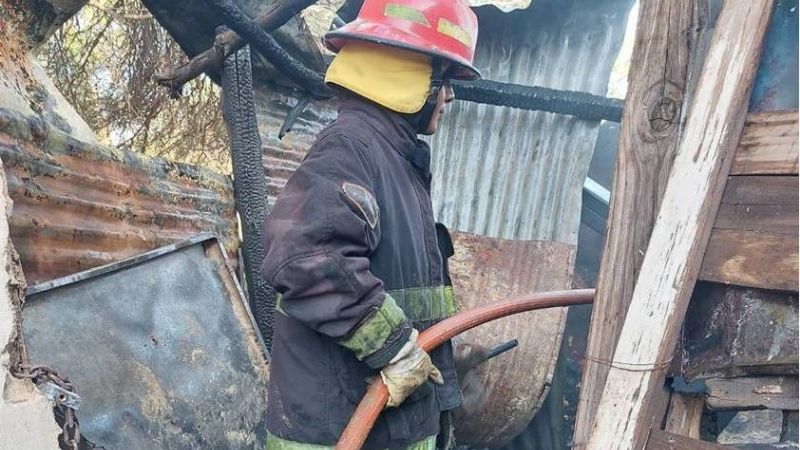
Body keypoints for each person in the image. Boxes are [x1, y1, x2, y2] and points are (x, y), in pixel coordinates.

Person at [260, 0, 480, 448]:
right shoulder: (351, 148)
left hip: (388, 428)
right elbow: (306, 256)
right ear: (411, 75)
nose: (450, 96)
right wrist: (394, 345)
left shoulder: (394, 157)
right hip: (341, 430)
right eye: (445, 80)